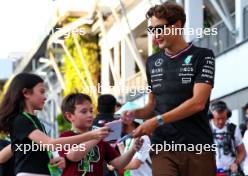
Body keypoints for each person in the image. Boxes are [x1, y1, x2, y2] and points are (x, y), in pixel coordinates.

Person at [122, 2, 216, 176]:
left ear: (177, 26)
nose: (155, 35)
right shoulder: (152, 62)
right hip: (162, 146)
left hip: (198, 146)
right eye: (152, 30)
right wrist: (134, 114)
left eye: (159, 29)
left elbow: (198, 103)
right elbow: (151, 106)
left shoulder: (203, 56)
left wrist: (157, 120)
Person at [0, 73, 110, 176]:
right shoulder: (20, 120)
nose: (45, 97)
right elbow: (50, 143)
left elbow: (39, 149)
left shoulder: (34, 120)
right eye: (41, 92)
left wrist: (51, 160)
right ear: (26, 93)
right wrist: (92, 135)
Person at [59, 93, 143, 176]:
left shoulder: (101, 139)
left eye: (91, 111)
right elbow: (73, 156)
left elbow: (119, 164)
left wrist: (132, 150)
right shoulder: (65, 137)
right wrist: (97, 137)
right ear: (69, 116)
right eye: (84, 112)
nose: (90, 115)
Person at [210, 101, 246, 175]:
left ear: (228, 115)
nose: (221, 121)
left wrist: (236, 163)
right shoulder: (206, 130)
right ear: (211, 116)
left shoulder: (233, 129)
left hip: (230, 172)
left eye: (223, 118)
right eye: (217, 119)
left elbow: (242, 152)